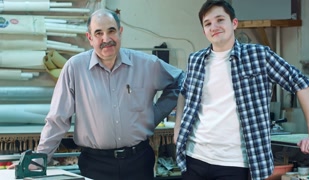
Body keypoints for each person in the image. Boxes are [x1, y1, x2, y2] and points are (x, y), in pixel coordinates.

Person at [9, 9, 184, 180]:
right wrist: (39, 160)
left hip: (138, 161)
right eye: (98, 33)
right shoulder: (74, 68)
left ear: (120, 32)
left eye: (111, 31)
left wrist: (155, 115)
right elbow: (58, 119)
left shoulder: (146, 64)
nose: (106, 39)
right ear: (90, 38)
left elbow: (181, 80)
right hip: (95, 165)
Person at [174, 0, 309, 180]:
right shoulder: (195, 60)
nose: (214, 27)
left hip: (235, 163)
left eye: (220, 20)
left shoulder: (258, 55)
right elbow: (184, 91)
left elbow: (301, 83)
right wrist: (177, 130)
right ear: (204, 30)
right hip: (195, 157)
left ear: (234, 23)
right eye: (208, 23)